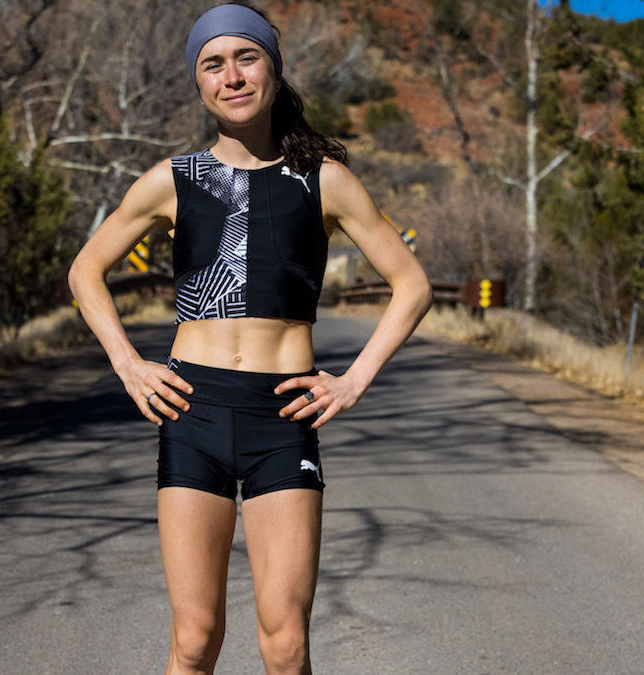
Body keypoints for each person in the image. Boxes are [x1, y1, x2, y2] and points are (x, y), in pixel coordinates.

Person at [67, 4, 431, 673]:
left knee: (285, 644)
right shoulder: (173, 180)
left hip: (282, 418)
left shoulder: (323, 179)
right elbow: (85, 269)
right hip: (193, 411)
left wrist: (353, 381)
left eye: (246, 58)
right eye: (213, 64)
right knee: (195, 638)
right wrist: (128, 364)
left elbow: (411, 283)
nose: (231, 76)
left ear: (273, 68)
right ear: (198, 81)